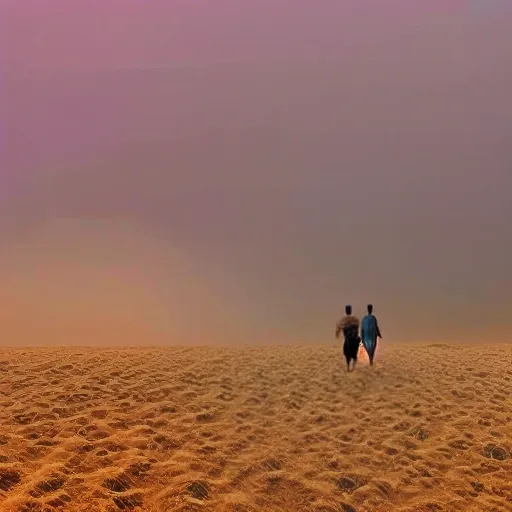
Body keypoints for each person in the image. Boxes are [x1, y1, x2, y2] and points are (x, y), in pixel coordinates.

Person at [335, 305, 360, 372]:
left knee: (347, 353)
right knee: (354, 354)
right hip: (355, 339)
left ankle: (348, 367)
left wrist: (337, 334)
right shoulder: (355, 319)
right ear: (350, 310)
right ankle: (353, 368)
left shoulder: (343, 320)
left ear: (346, 311)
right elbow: (357, 327)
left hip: (348, 339)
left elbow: (338, 328)